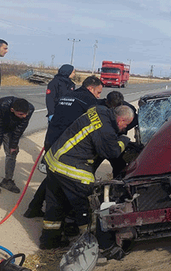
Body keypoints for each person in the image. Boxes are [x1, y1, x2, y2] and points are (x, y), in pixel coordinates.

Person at [39, 105, 134, 250]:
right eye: (125, 125)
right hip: (72, 169)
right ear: (121, 119)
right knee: (86, 208)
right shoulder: (105, 130)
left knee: (55, 203)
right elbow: (112, 152)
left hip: (54, 162)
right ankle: (93, 245)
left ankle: (49, 241)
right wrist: (124, 141)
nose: (124, 128)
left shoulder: (99, 110)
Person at [23, 76, 103, 218]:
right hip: (63, 145)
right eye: (98, 92)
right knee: (62, 179)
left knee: (52, 176)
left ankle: (33, 208)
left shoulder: (68, 95)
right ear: (91, 88)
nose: (98, 96)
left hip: (51, 139)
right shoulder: (89, 101)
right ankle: (61, 214)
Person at [0, 97, 34, 194]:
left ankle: (7, 181)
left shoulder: (30, 109)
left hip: (9, 128)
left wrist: (13, 145)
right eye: (21, 114)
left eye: (26, 114)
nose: (24, 116)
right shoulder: (2, 104)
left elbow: (20, 128)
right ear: (12, 110)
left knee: (13, 152)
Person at [94, 91, 139, 178]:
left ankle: (117, 184)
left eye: (117, 106)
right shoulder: (99, 106)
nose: (114, 108)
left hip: (115, 141)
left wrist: (123, 128)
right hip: (100, 141)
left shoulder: (128, 108)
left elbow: (135, 120)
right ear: (107, 102)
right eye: (112, 106)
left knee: (119, 165)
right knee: (93, 163)